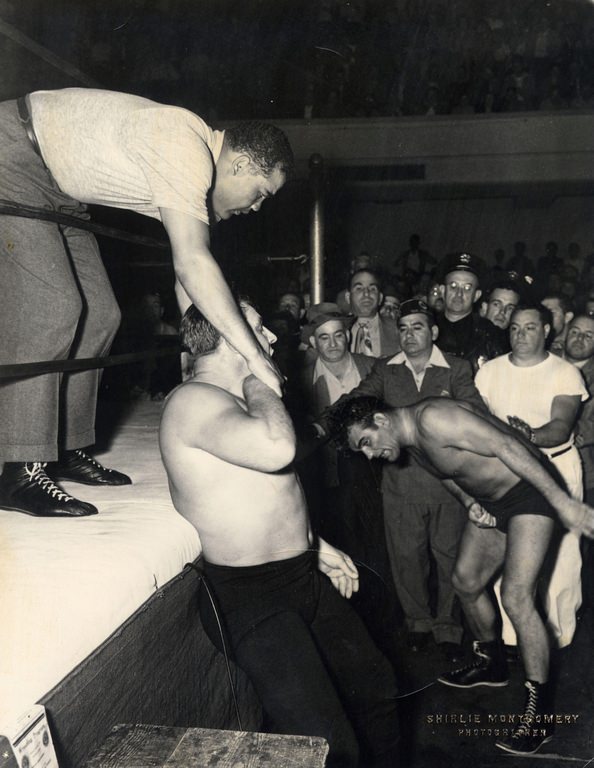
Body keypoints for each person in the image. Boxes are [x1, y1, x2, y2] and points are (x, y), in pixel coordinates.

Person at [0, 88, 293, 518]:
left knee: (102, 315)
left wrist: (198, 359)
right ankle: (20, 468)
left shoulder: (190, 162)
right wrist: (254, 355)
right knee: (54, 309)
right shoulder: (186, 150)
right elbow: (194, 264)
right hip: (15, 157)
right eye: (262, 192)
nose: (257, 207)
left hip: (60, 188)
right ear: (242, 164)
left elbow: (186, 278)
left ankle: (61, 447)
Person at [159, 299, 401, 768]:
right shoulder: (192, 401)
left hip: (300, 576)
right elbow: (276, 451)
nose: (270, 339)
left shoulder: (232, 404)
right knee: (326, 745)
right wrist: (258, 377)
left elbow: (268, 492)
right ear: (229, 337)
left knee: (375, 687)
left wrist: (315, 543)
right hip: (252, 597)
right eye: (257, 330)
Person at [326, 395, 594, 756]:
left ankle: (541, 720)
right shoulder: (410, 439)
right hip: (495, 502)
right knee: (466, 581)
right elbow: (448, 474)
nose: (371, 455)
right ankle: (492, 663)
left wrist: (562, 502)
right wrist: (471, 502)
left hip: (531, 492)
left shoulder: (434, 419)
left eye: (367, 443)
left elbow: (508, 445)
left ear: (380, 419)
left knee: (517, 597)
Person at [333, 298, 484, 662]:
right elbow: (355, 401)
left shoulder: (456, 369)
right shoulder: (387, 370)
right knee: (406, 558)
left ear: (433, 332)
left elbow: (475, 413)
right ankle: (418, 623)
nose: (409, 334)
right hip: (400, 483)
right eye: (402, 328)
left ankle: (448, 628)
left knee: (449, 557)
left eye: (418, 327)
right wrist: (328, 419)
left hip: (449, 485)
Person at [475, 302, 588, 650]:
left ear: (546, 331)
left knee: (563, 557)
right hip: (507, 475)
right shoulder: (488, 372)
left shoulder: (565, 372)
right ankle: (515, 641)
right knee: (509, 555)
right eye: (514, 328)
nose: (520, 335)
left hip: (556, 467)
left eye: (529, 327)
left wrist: (528, 437)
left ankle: (559, 637)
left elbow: (559, 426)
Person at [298, 302, 397, 648]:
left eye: (339, 335)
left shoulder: (374, 368)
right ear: (313, 343)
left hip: (375, 471)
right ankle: (353, 627)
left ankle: (386, 624)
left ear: (348, 335)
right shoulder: (302, 381)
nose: (333, 343)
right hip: (331, 478)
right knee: (344, 547)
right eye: (323, 338)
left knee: (380, 546)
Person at [434, 252, 507, 373]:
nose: (459, 294)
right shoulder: (425, 328)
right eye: (453, 286)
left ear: (476, 296)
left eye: (467, 288)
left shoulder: (490, 336)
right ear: (442, 290)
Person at [346, 269, 400, 358]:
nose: (366, 293)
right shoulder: (339, 331)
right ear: (348, 297)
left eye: (372, 289)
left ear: (380, 298)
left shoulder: (398, 330)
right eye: (359, 288)